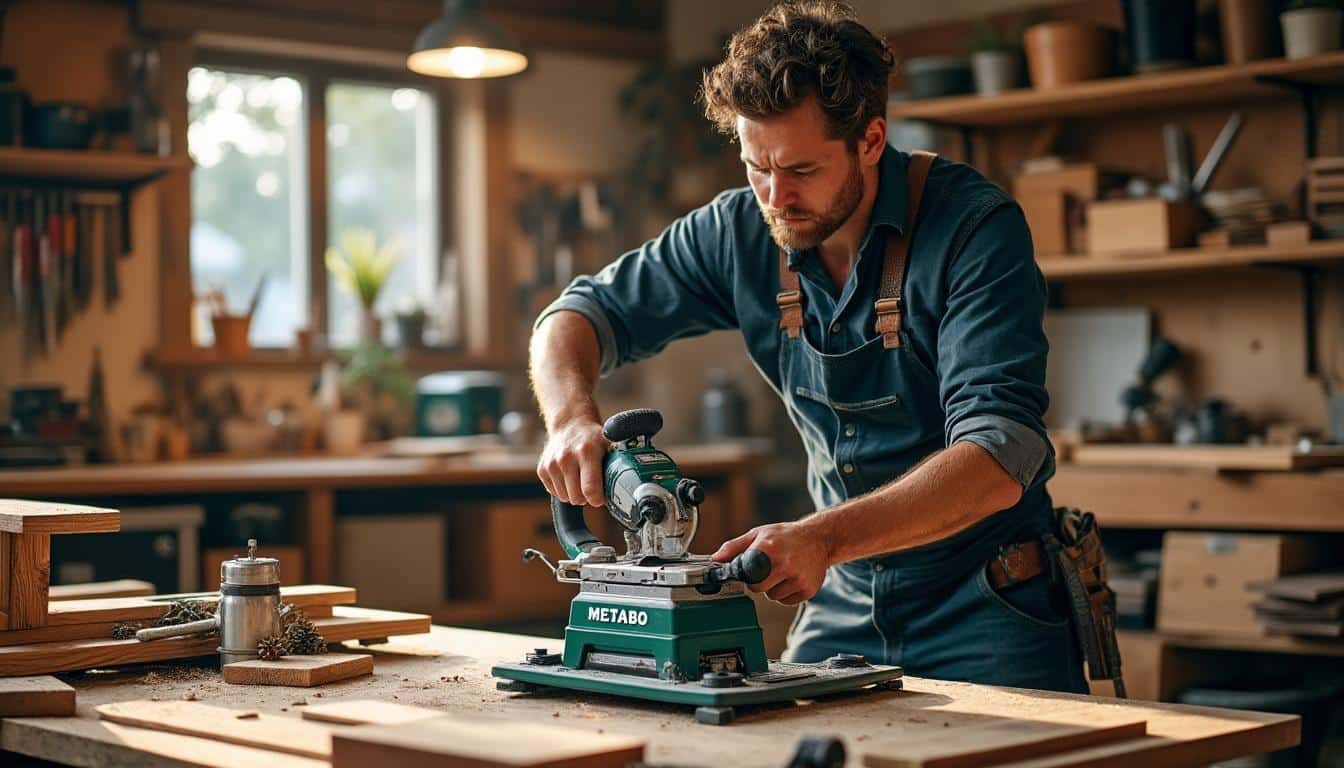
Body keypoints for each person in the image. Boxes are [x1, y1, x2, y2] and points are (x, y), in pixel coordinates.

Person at [527, 0, 1085, 692]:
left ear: (872, 140)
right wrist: (570, 417)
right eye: (755, 165)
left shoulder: (975, 229)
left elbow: (1000, 454)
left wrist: (823, 539)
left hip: (987, 605)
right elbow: (576, 313)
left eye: (800, 170)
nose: (775, 196)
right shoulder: (739, 229)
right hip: (840, 603)